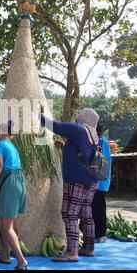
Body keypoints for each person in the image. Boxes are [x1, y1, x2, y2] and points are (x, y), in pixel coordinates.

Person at [41, 108, 100, 262]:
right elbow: (81, 150)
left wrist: (39, 115)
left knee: (70, 213)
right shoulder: (94, 135)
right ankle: (89, 248)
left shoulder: (78, 129)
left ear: (83, 117)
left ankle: (72, 252)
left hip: (77, 179)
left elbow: (55, 126)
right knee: (86, 214)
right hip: (92, 180)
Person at [0, 121, 28, 270]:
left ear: (0, 132)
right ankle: (5, 256)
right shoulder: (13, 146)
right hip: (18, 181)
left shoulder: (0, 144)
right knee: (6, 222)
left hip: (9, 182)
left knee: (6, 226)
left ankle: (21, 261)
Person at [91, 125, 112, 243]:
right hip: (100, 181)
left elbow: (98, 160)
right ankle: (97, 234)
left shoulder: (101, 141)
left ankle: (100, 234)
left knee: (98, 208)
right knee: (96, 208)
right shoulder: (101, 140)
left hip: (99, 181)